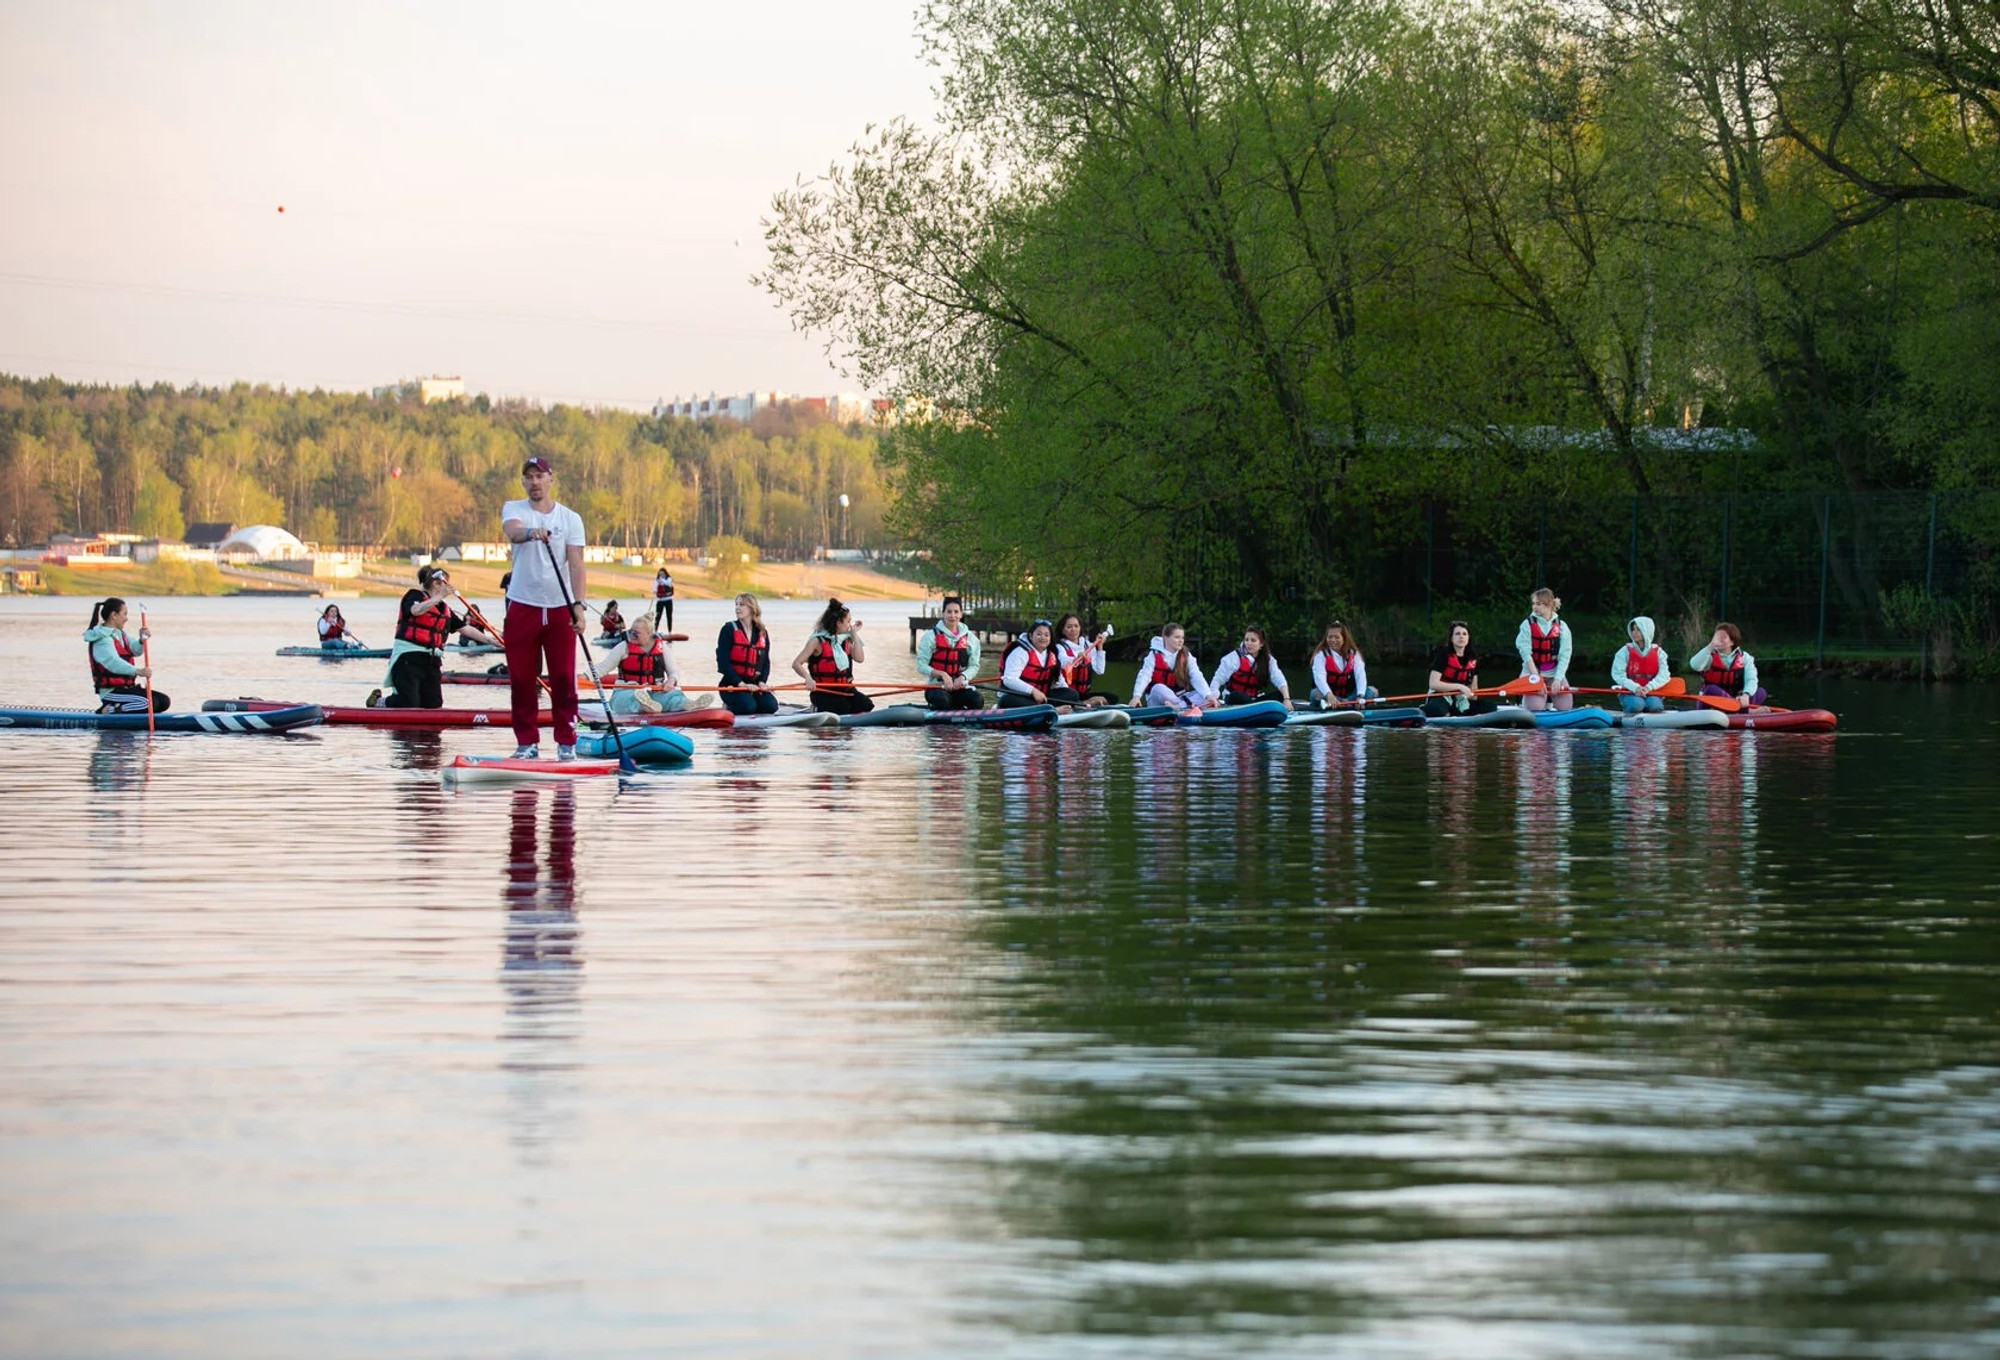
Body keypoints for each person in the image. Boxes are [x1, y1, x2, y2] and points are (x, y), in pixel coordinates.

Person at [501, 456, 588, 760]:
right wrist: (530, 533)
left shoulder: (570, 519)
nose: (534, 482)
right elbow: (513, 531)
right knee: (522, 679)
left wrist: (578, 606)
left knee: (564, 679)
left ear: (551, 478)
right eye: (529, 477)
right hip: (523, 605)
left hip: (559, 607)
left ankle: (566, 743)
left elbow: (576, 564)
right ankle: (527, 743)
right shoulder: (515, 509)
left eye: (540, 476)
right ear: (523, 482)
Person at [372, 565, 463, 709]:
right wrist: (440, 596)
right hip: (408, 657)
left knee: (433, 704)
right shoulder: (414, 596)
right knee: (408, 703)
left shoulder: (442, 607)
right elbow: (415, 611)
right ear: (435, 583)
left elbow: (464, 628)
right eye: (444, 582)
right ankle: (379, 702)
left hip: (431, 660)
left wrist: (491, 640)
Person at [84, 597, 167, 713]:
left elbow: (136, 650)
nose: (126, 618)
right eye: (124, 614)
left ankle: (131, 712)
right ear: (114, 615)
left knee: (163, 701)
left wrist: (142, 640)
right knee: (148, 703)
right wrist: (139, 671)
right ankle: (109, 709)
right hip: (111, 692)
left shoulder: (120, 634)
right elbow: (113, 663)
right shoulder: (102, 639)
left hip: (127, 689)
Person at [794, 597, 874, 715]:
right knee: (843, 708)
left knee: (866, 705)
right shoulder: (817, 641)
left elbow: (860, 658)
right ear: (838, 623)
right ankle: (816, 708)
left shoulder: (845, 640)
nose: (849, 625)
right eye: (848, 622)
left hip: (845, 689)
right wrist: (808, 678)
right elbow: (796, 663)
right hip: (823, 691)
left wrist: (854, 635)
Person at [599, 613, 686, 714]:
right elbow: (603, 667)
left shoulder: (662, 648)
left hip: (655, 690)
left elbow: (674, 671)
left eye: (637, 633)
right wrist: (585, 676)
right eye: (631, 631)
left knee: (673, 697)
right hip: (626, 690)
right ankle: (643, 706)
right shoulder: (623, 647)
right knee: (631, 700)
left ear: (648, 633)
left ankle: (685, 704)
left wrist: (671, 681)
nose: (632, 635)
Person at [716, 593, 780, 716]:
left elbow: (765, 662)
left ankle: (751, 702)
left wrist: (762, 682)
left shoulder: (762, 632)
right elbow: (723, 662)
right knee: (748, 707)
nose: (737, 608)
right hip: (732, 685)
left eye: (742, 605)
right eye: (736, 604)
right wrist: (742, 684)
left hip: (754, 685)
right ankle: (728, 706)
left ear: (752, 608)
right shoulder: (728, 629)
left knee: (771, 706)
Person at [917, 595, 984, 710]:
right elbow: (921, 666)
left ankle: (959, 711)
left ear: (961, 614)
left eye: (956, 612)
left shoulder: (971, 639)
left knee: (977, 700)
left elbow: (974, 666)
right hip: (937, 687)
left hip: (960, 687)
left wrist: (963, 677)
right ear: (943, 614)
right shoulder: (930, 637)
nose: (953, 616)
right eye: (949, 612)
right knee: (943, 701)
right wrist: (942, 674)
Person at [999, 619, 1081, 709]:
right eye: (1039, 634)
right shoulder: (1020, 652)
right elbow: (1009, 679)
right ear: (1031, 636)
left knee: (1072, 694)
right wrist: (1032, 691)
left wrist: (1073, 701)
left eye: (1046, 635)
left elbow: (1059, 682)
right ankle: (1050, 709)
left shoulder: (1051, 655)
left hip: (1041, 697)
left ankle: (1044, 708)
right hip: (1021, 696)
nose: (1043, 638)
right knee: (1007, 700)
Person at [1130, 623, 1214, 710]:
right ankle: (1186, 705)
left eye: (1182, 638)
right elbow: (1144, 676)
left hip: (1180, 698)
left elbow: (1196, 676)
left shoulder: (1187, 656)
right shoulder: (1153, 656)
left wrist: (1208, 696)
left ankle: (1178, 706)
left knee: (1210, 693)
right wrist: (1136, 696)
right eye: (1177, 637)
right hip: (1158, 699)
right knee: (1158, 688)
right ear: (1166, 638)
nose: (1181, 640)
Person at [1515, 587, 1574, 711]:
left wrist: (1558, 679)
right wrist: (1537, 679)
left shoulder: (1562, 627)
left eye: (1538, 604)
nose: (1534, 607)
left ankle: (1549, 702)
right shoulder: (1527, 625)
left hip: (1554, 672)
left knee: (1566, 707)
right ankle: (1529, 703)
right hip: (1532, 672)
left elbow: (1565, 656)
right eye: (1533, 604)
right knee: (1535, 708)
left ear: (1549, 605)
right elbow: (1526, 653)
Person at [1209, 625, 1293, 708]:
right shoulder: (1234, 658)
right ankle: (1259, 710)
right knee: (1237, 696)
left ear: (1261, 644)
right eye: (1246, 640)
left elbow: (1280, 680)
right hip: (1234, 699)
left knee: (1280, 695)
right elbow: (1217, 680)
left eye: (1253, 640)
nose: (1248, 643)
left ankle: (1259, 709)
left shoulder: (1269, 661)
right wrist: (1214, 698)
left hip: (1255, 699)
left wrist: (1286, 699)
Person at [1425, 620, 1495, 717]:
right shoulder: (1443, 655)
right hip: (1441, 696)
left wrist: (1470, 695)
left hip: (1461, 699)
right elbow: (1433, 684)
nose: (1461, 636)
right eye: (1457, 634)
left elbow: (1474, 690)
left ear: (1468, 638)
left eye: (1464, 634)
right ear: (1451, 638)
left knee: (1490, 707)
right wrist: (1459, 687)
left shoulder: (1473, 658)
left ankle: (1456, 712)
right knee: (1437, 710)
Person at [1689, 621, 1766, 707]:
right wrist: (1711, 645)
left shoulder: (1745, 658)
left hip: (1737, 700)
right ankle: (1746, 711)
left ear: (1732, 642)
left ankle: (1738, 709)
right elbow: (1694, 665)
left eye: (1723, 637)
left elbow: (1751, 679)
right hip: (1711, 704)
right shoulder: (1708, 655)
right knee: (1710, 689)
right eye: (1717, 636)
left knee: (1761, 692)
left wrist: (1746, 695)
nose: (1718, 640)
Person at [1612, 616, 1673, 714]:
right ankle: (1630, 713)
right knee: (1637, 705)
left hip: (1651, 691)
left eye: (1638, 629)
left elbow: (1664, 675)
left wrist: (1648, 687)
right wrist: (1636, 688)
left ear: (1647, 631)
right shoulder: (1623, 652)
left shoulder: (1659, 653)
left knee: (1655, 706)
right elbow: (1618, 675)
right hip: (1629, 692)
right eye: (1633, 629)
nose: (1634, 633)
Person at [1307, 620, 1376, 707]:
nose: (1333, 640)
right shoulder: (1320, 655)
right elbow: (1319, 678)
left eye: (1336, 637)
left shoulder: (1354, 654)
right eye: (1330, 637)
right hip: (1329, 698)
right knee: (1315, 694)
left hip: (1350, 697)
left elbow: (1360, 676)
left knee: (1371, 691)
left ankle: (1351, 704)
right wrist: (1329, 695)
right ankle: (1346, 705)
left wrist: (1360, 696)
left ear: (1344, 638)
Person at [1054, 615, 1112, 707]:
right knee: (1073, 695)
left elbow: (1099, 670)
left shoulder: (1088, 645)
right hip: (1067, 692)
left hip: (1083, 693)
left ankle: (1084, 703)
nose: (1073, 629)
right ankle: (1083, 704)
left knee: (1112, 698)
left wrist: (1100, 647)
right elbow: (1062, 661)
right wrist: (1076, 658)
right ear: (1063, 630)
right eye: (1069, 627)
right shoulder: (1059, 647)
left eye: (1076, 626)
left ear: (1080, 628)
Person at [652, 567, 675, 631]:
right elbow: (654, 589)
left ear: (665, 573)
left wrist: (661, 580)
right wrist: (655, 589)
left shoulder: (669, 579)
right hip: (660, 601)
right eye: (660, 574)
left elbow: (667, 583)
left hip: (668, 600)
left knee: (669, 616)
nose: (661, 575)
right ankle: (655, 630)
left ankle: (669, 631)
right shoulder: (656, 581)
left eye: (663, 574)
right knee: (658, 616)